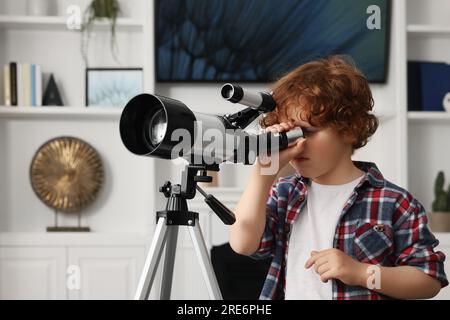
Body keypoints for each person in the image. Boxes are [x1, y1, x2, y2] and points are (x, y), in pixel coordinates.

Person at [229, 55, 448, 300]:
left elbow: (428, 280)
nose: (296, 145)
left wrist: (362, 273)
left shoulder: (394, 202)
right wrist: (263, 172)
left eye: (308, 132)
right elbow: (242, 243)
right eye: (288, 134)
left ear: (349, 128)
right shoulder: (284, 193)